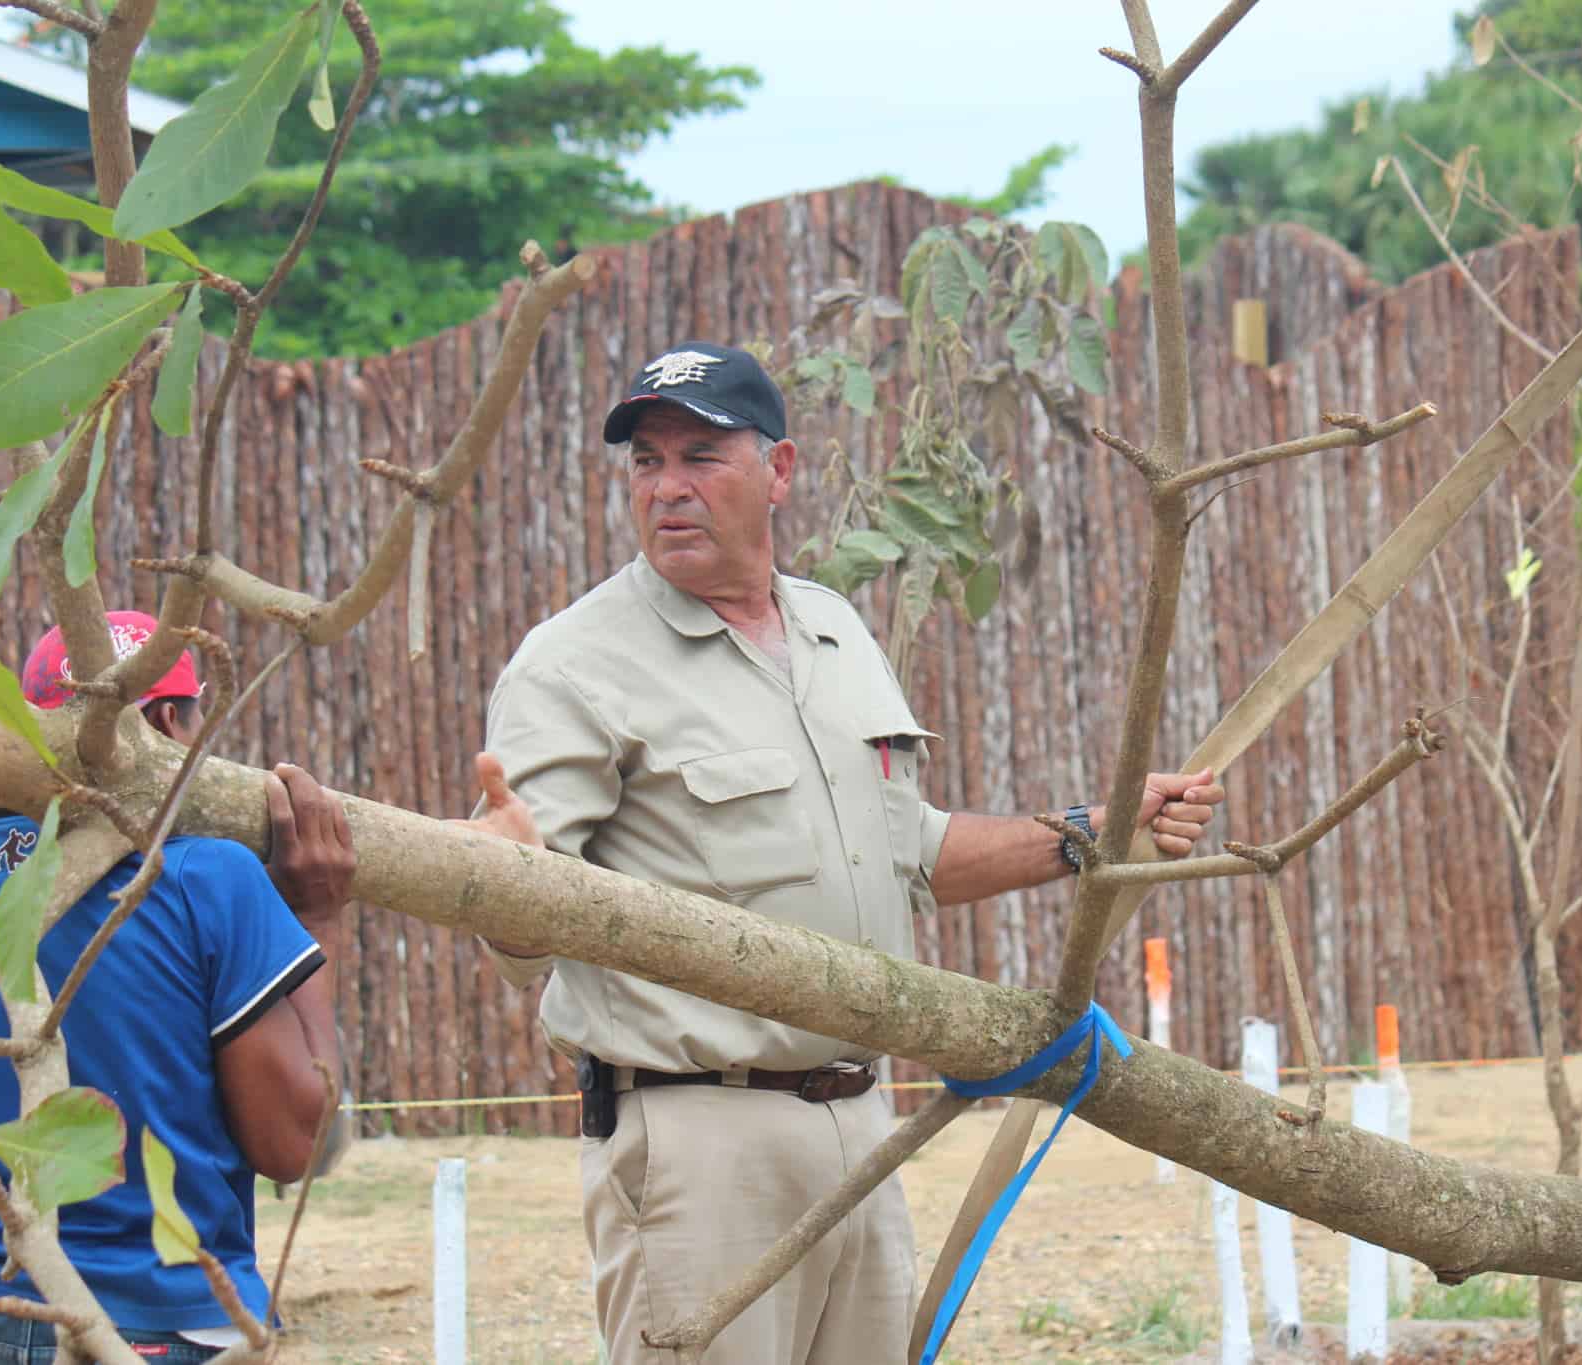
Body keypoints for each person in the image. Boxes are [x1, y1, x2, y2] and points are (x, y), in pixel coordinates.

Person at [478, 342, 1227, 1364]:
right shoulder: (573, 663)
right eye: (645, 463)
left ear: (778, 471)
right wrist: (497, 876)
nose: (667, 488)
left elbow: (903, 855)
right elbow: (522, 916)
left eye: (700, 456)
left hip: (860, 1121)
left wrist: (1088, 835)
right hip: (701, 1139)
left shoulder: (832, 630)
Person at [0, 611, 532, 1362]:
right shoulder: (204, 879)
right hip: (160, 1323)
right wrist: (315, 915)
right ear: (162, 725)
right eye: (191, 721)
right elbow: (293, 1144)